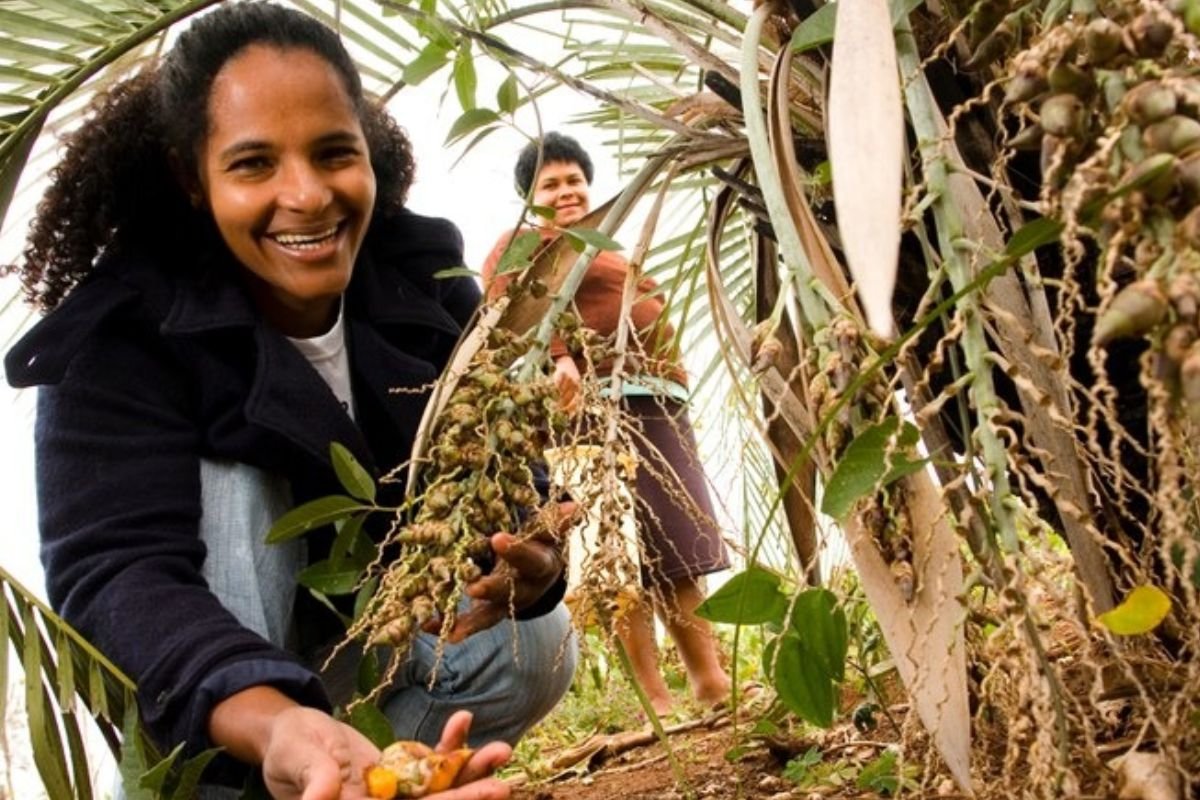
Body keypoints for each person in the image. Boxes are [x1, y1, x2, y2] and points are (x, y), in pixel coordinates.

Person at [3, 3, 576, 797]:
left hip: (353, 666)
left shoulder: (420, 279)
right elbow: (118, 571)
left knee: (538, 640)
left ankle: (360, 777)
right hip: (225, 699)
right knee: (241, 485)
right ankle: (247, 777)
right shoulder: (121, 334)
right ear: (190, 177)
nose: (306, 196)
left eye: (333, 153)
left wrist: (533, 564)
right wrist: (273, 722)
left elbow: (500, 465)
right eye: (253, 164)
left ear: (368, 153)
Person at [480, 132, 733, 719]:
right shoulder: (521, 244)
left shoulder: (609, 247)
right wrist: (562, 355)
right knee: (612, 555)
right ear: (529, 196)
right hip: (583, 410)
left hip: (653, 402)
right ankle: (654, 699)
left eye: (574, 181)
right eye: (551, 184)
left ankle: (710, 682)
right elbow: (512, 306)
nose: (566, 192)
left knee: (676, 546)